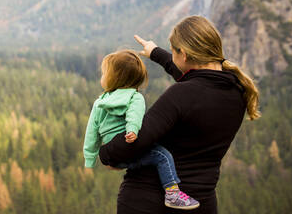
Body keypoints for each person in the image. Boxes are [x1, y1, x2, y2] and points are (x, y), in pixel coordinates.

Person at [99, 15, 260, 214]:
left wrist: (106, 154)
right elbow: (198, 81)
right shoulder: (238, 92)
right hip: (202, 203)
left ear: (183, 54)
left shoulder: (181, 95)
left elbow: (137, 140)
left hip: (149, 202)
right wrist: (156, 53)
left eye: (175, 52)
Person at [83, 49, 199, 210]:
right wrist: (132, 130)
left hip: (113, 154)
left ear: (114, 77)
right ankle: (172, 193)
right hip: (129, 144)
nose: (101, 77)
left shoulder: (99, 102)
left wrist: (90, 158)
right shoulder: (134, 97)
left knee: (146, 160)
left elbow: (92, 132)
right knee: (162, 155)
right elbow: (134, 115)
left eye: (104, 74)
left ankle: (140, 170)